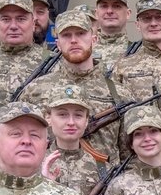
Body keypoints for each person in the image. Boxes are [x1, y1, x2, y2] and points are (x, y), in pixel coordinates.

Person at [20, 9, 127, 165]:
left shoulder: (118, 93)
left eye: (80, 33)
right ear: (58, 43)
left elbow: (129, 152)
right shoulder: (35, 90)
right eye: (66, 35)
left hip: (104, 184)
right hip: (48, 182)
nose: (74, 40)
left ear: (94, 39)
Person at [112, 0, 161, 98]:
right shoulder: (122, 66)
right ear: (138, 25)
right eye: (147, 18)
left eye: (159, 17)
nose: (153, 23)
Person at [93, 0, 133, 66]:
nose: (109, 11)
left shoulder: (139, 52)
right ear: (96, 13)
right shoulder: (84, 52)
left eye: (116, 6)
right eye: (104, 6)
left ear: (128, 14)